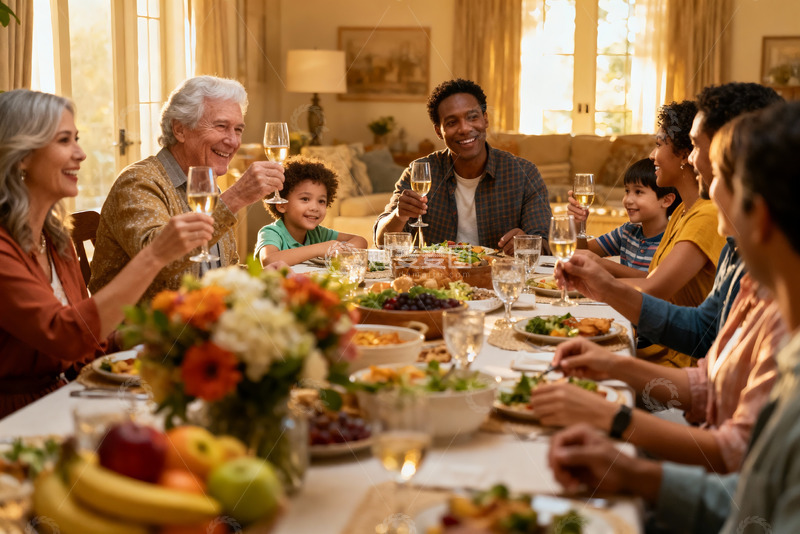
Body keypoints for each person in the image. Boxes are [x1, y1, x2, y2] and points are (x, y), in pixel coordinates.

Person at [548, 101, 800, 534]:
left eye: (721, 178)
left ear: (758, 217)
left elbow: (736, 465)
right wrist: (614, 365)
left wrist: (618, 420)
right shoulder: (757, 283)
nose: (716, 214)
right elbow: (750, 500)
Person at [0, 90, 214, 417]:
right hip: (17, 417)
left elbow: (88, 344)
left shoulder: (56, 239)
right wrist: (155, 254)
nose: (81, 154)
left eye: (77, 139)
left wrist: (166, 327)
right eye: (64, 141)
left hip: (67, 398)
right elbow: (65, 335)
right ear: (22, 155)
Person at [556, 83, 783, 363]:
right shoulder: (691, 220)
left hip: (674, 359)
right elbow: (700, 323)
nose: (653, 155)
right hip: (668, 353)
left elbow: (658, 293)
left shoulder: (712, 219)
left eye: (661, 144)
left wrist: (601, 274)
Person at [89, 75, 285, 302]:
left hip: (199, 320)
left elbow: (215, 273)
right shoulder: (138, 182)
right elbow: (160, 263)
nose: (233, 141)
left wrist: (258, 277)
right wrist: (235, 197)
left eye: (238, 129)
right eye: (221, 126)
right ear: (180, 129)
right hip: (144, 330)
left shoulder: (206, 187)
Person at [373, 78, 552, 255]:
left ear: (485, 119)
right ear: (438, 131)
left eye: (472, 117)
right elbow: (381, 243)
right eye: (452, 122)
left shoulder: (524, 173)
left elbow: (545, 244)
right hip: (438, 278)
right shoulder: (420, 172)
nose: (464, 128)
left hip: (497, 278)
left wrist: (528, 244)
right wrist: (398, 215)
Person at [568, 158, 678, 275]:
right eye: (627, 191)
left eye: (638, 192)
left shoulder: (674, 240)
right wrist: (578, 225)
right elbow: (583, 253)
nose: (627, 200)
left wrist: (601, 263)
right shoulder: (627, 231)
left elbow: (656, 281)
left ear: (666, 200)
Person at [255, 156, 368, 266]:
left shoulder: (318, 233)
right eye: (305, 199)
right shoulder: (272, 232)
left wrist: (338, 252)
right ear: (282, 205)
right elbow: (269, 260)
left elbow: (360, 241)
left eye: (321, 201)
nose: (315, 207)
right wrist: (318, 249)